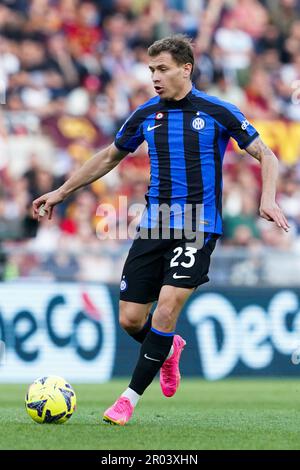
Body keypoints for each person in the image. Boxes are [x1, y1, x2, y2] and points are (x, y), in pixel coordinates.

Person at [32, 35, 289, 426]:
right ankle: (168, 350)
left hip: (197, 226)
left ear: (186, 69)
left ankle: (128, 399)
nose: (154, 77)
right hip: (153, 226)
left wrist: (268, 198)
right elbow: (108, 157)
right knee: (132, 320)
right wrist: (62, 192)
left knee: (166, 308)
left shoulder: (217, 110)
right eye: (151, 69)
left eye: (162, 69)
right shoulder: (146, 113)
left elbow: (266, 154)